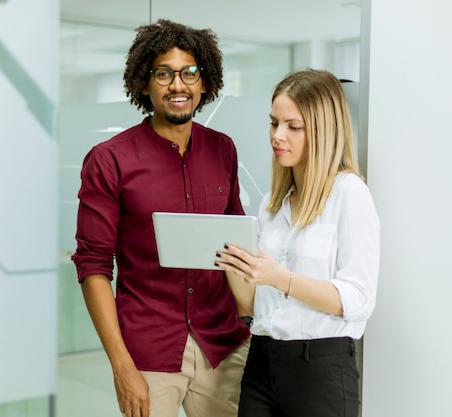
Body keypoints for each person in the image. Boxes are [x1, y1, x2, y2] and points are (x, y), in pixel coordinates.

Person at [71, 19, 250, 417]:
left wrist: (251, 322)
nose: (178, 85)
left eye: (189, 73)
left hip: (223, 346)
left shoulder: (223, 149)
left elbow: (238, 247)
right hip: (148, 351)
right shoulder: (110, 159)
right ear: (145, 83)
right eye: (164, 73)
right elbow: (94, 266)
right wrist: (121, 367)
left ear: (205, 82)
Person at [215, 68, 380, 417]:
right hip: (261, 362)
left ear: (323, 131)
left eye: (293, 126)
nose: (277, 135)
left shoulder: (350, 194)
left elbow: (359, 300)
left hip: (320, 370)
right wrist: (229, 257)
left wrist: (280, 278)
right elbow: (251, 306)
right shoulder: (272, 204)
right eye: (274, 123)